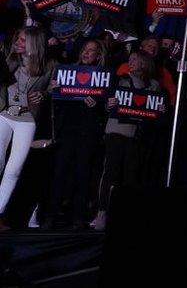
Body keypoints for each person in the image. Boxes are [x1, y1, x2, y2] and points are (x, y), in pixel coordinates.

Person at [91, 49, 161, 230]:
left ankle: (126, 215)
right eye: (130, 59)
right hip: (115, 132)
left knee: (131, 176)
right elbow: (106, 103)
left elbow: (153, 111)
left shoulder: (153, 85)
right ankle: (102, 213)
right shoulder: (118, 80)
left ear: (144, 63)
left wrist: (159, 110)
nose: (131, 62)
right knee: (110, 173)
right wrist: (109, 104)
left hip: (137, 136)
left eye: (135, 59)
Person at [43, 39, 108, 230]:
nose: (87, 53)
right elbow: (57, 104)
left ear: (98, 56)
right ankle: (49, 216)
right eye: (85, 50)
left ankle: (78, 218)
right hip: (67, 130)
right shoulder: (66, 72)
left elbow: (107, 109)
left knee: (83, 174)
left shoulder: (103, 78)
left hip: (88, 133)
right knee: (60, 173)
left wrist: (97, 106)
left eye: (92, 51)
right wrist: (54, 90)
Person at [0, 27, 56, 231]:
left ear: (34, 44)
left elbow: (55, 88)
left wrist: (44, 94)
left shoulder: (49, 65)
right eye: (18, 38)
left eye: (23, 40)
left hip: (27, 119)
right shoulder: (9, 59)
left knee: (14, 170)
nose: (18, 42)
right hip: (3, 114)